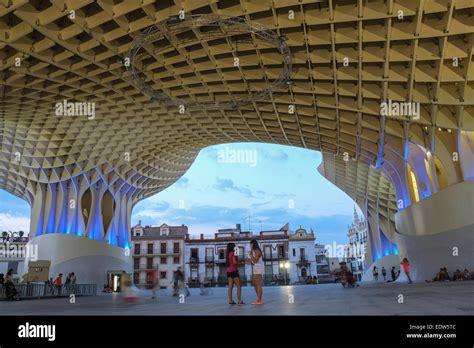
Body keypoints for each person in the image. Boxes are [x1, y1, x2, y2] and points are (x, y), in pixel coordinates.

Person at [249, 239, 263, 305]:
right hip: (255, 268)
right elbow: (253, 262)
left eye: (251, 244)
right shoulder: (254, 251)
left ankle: (259, 300)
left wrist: (251, 255)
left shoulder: (257, 251)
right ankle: (259, 298)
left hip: (258, 268)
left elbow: (255, 261)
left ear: (253, 244)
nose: (250, 245)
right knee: (254, 284)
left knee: (258, 284)